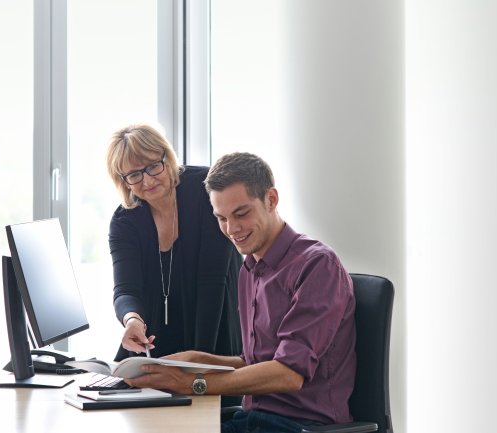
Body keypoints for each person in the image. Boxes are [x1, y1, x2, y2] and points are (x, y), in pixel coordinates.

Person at [127, 152, 357, 433]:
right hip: (254, 419)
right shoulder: (250, 269)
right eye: (221, 218)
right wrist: (197, 362)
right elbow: (257, 363)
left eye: (241, 213)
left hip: (299, 426)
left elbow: (288, 373)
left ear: (271, 200)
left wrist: (193, 384)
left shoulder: (317, 265)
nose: (231, 229)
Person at [106, 124, 242, 363]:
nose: (147, 180)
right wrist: (132, 320)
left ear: (166, 158)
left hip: (216, 332)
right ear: (124, 181)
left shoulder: (206, 190)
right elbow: (126, 289)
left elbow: (213, 281)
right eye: (134, 175)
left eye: (152, 167)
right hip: (154, 344)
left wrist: (200, 364)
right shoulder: (124, 221)